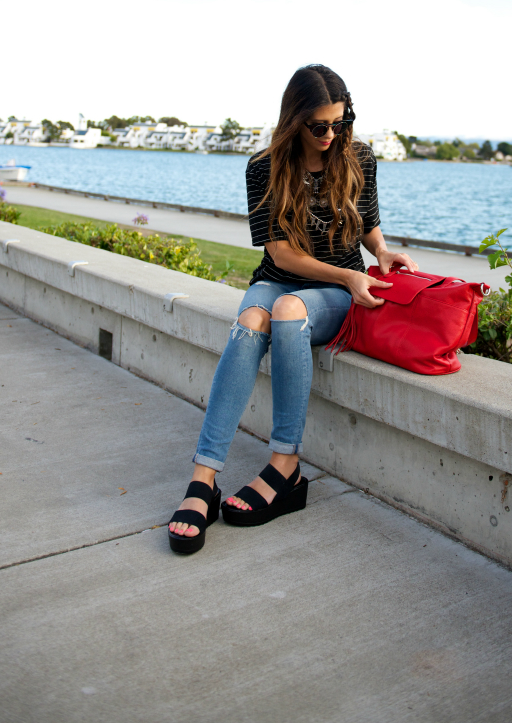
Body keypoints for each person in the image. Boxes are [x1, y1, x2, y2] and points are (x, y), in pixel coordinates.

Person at [168, 63, 417, 553]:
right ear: (294, 120)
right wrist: (347, 272)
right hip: (281, 277)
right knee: (251, 319)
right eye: (320, 125)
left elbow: (365, 220)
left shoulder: (358, 156)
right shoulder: (264, 167)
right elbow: (279, 253)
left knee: (287, 312)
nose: (331, 134)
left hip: (331, 294)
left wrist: (381, 253)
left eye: (340, 123)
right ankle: (204, 479)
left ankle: (285, 466)